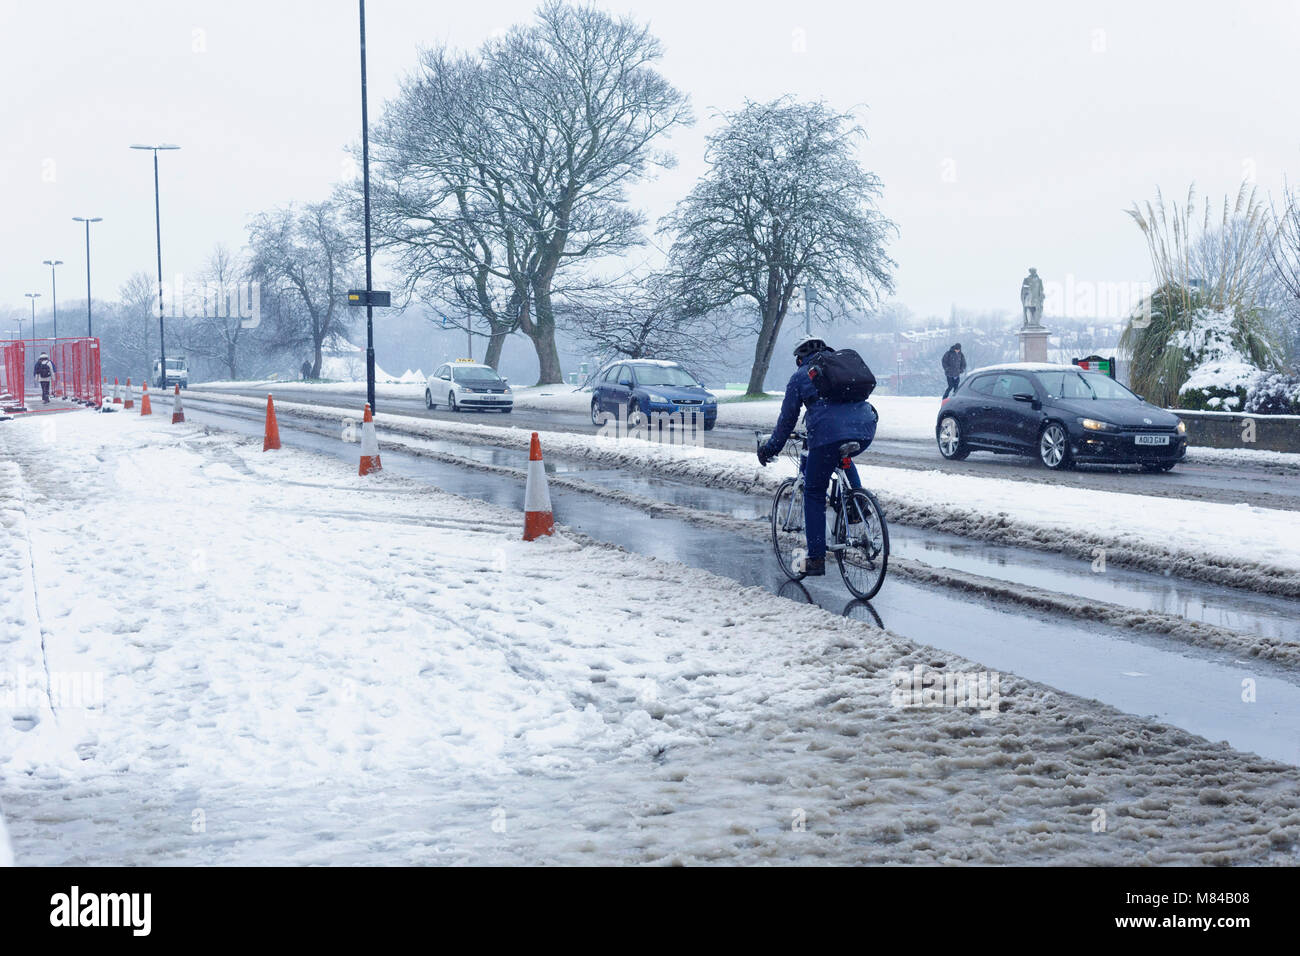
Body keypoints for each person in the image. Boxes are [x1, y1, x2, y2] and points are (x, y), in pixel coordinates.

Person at [757, 337, 877, 576]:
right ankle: (856, 505)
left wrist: (769, 448)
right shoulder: (841, 368)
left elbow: (786, 421)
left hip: (826, 434)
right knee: (842, 457)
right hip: (865, 428)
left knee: (813, 491)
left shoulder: (801, 375)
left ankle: (815, 559)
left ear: (800, 358)